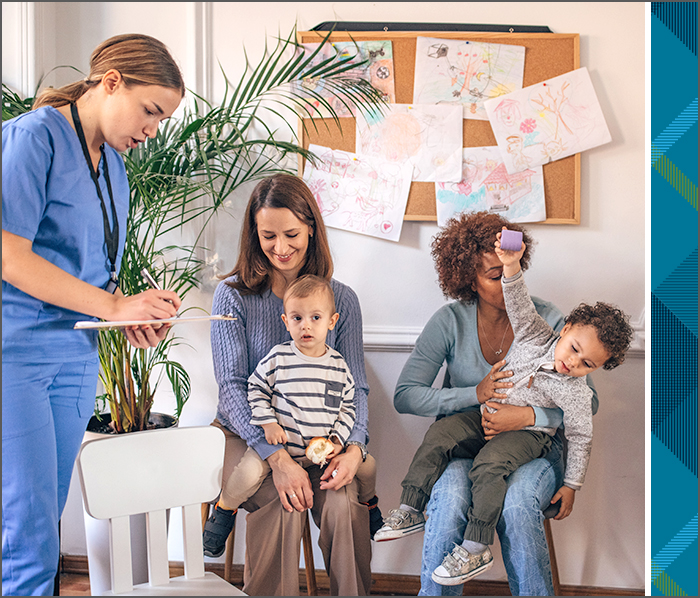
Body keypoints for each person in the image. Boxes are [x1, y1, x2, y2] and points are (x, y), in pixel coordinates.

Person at [2, 34, 185, 596]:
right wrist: (112, 305)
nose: (153, 130)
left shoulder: (117, 170)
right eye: (150, 110)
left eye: (162, 119)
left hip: (76, 354)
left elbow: (94, 277)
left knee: (44, 520)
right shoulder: (35, 138)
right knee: (27, 528)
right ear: (110, 83)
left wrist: (132, 314)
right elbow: (9, 253)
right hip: (19, 355)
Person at [377, 227, 632, 587]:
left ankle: (477, 546)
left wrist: (529, 418)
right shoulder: (517, 329)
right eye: (492, 274)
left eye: (587, 363)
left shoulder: (554, 329)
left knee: (514, 500)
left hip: (530, 442)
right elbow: (406, 395)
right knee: (447, 483)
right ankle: (409, 508)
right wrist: (476, 394)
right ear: (469, 279)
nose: (575, 363)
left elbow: (584, 415)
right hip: (477, 424)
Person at [209, 173, 381, 596]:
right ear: (254, 234)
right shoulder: (233, 295)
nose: (280, 248)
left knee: (341, 504)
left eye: (291, 234)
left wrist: (355, 448)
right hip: (247, 435)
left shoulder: (343, 300)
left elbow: (355, 387)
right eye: (268, 235)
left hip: (321, 440)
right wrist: (276, 458)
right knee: (283, 498)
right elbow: (231, 387)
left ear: (311, 229)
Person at [203, 274, 380, 558]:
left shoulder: (338, 366)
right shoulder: (278, 358)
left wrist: (339, 439)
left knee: (367, 466)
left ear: (331, 322)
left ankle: (371, 505)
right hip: (275, 443)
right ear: (286, 322)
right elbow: (253, 389)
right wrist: (268, 424)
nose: (306, 325)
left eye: (315, 318)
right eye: (297, 318)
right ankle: (224, 511)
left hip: (317, 453)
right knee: (249, 475)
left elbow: (349, 404)